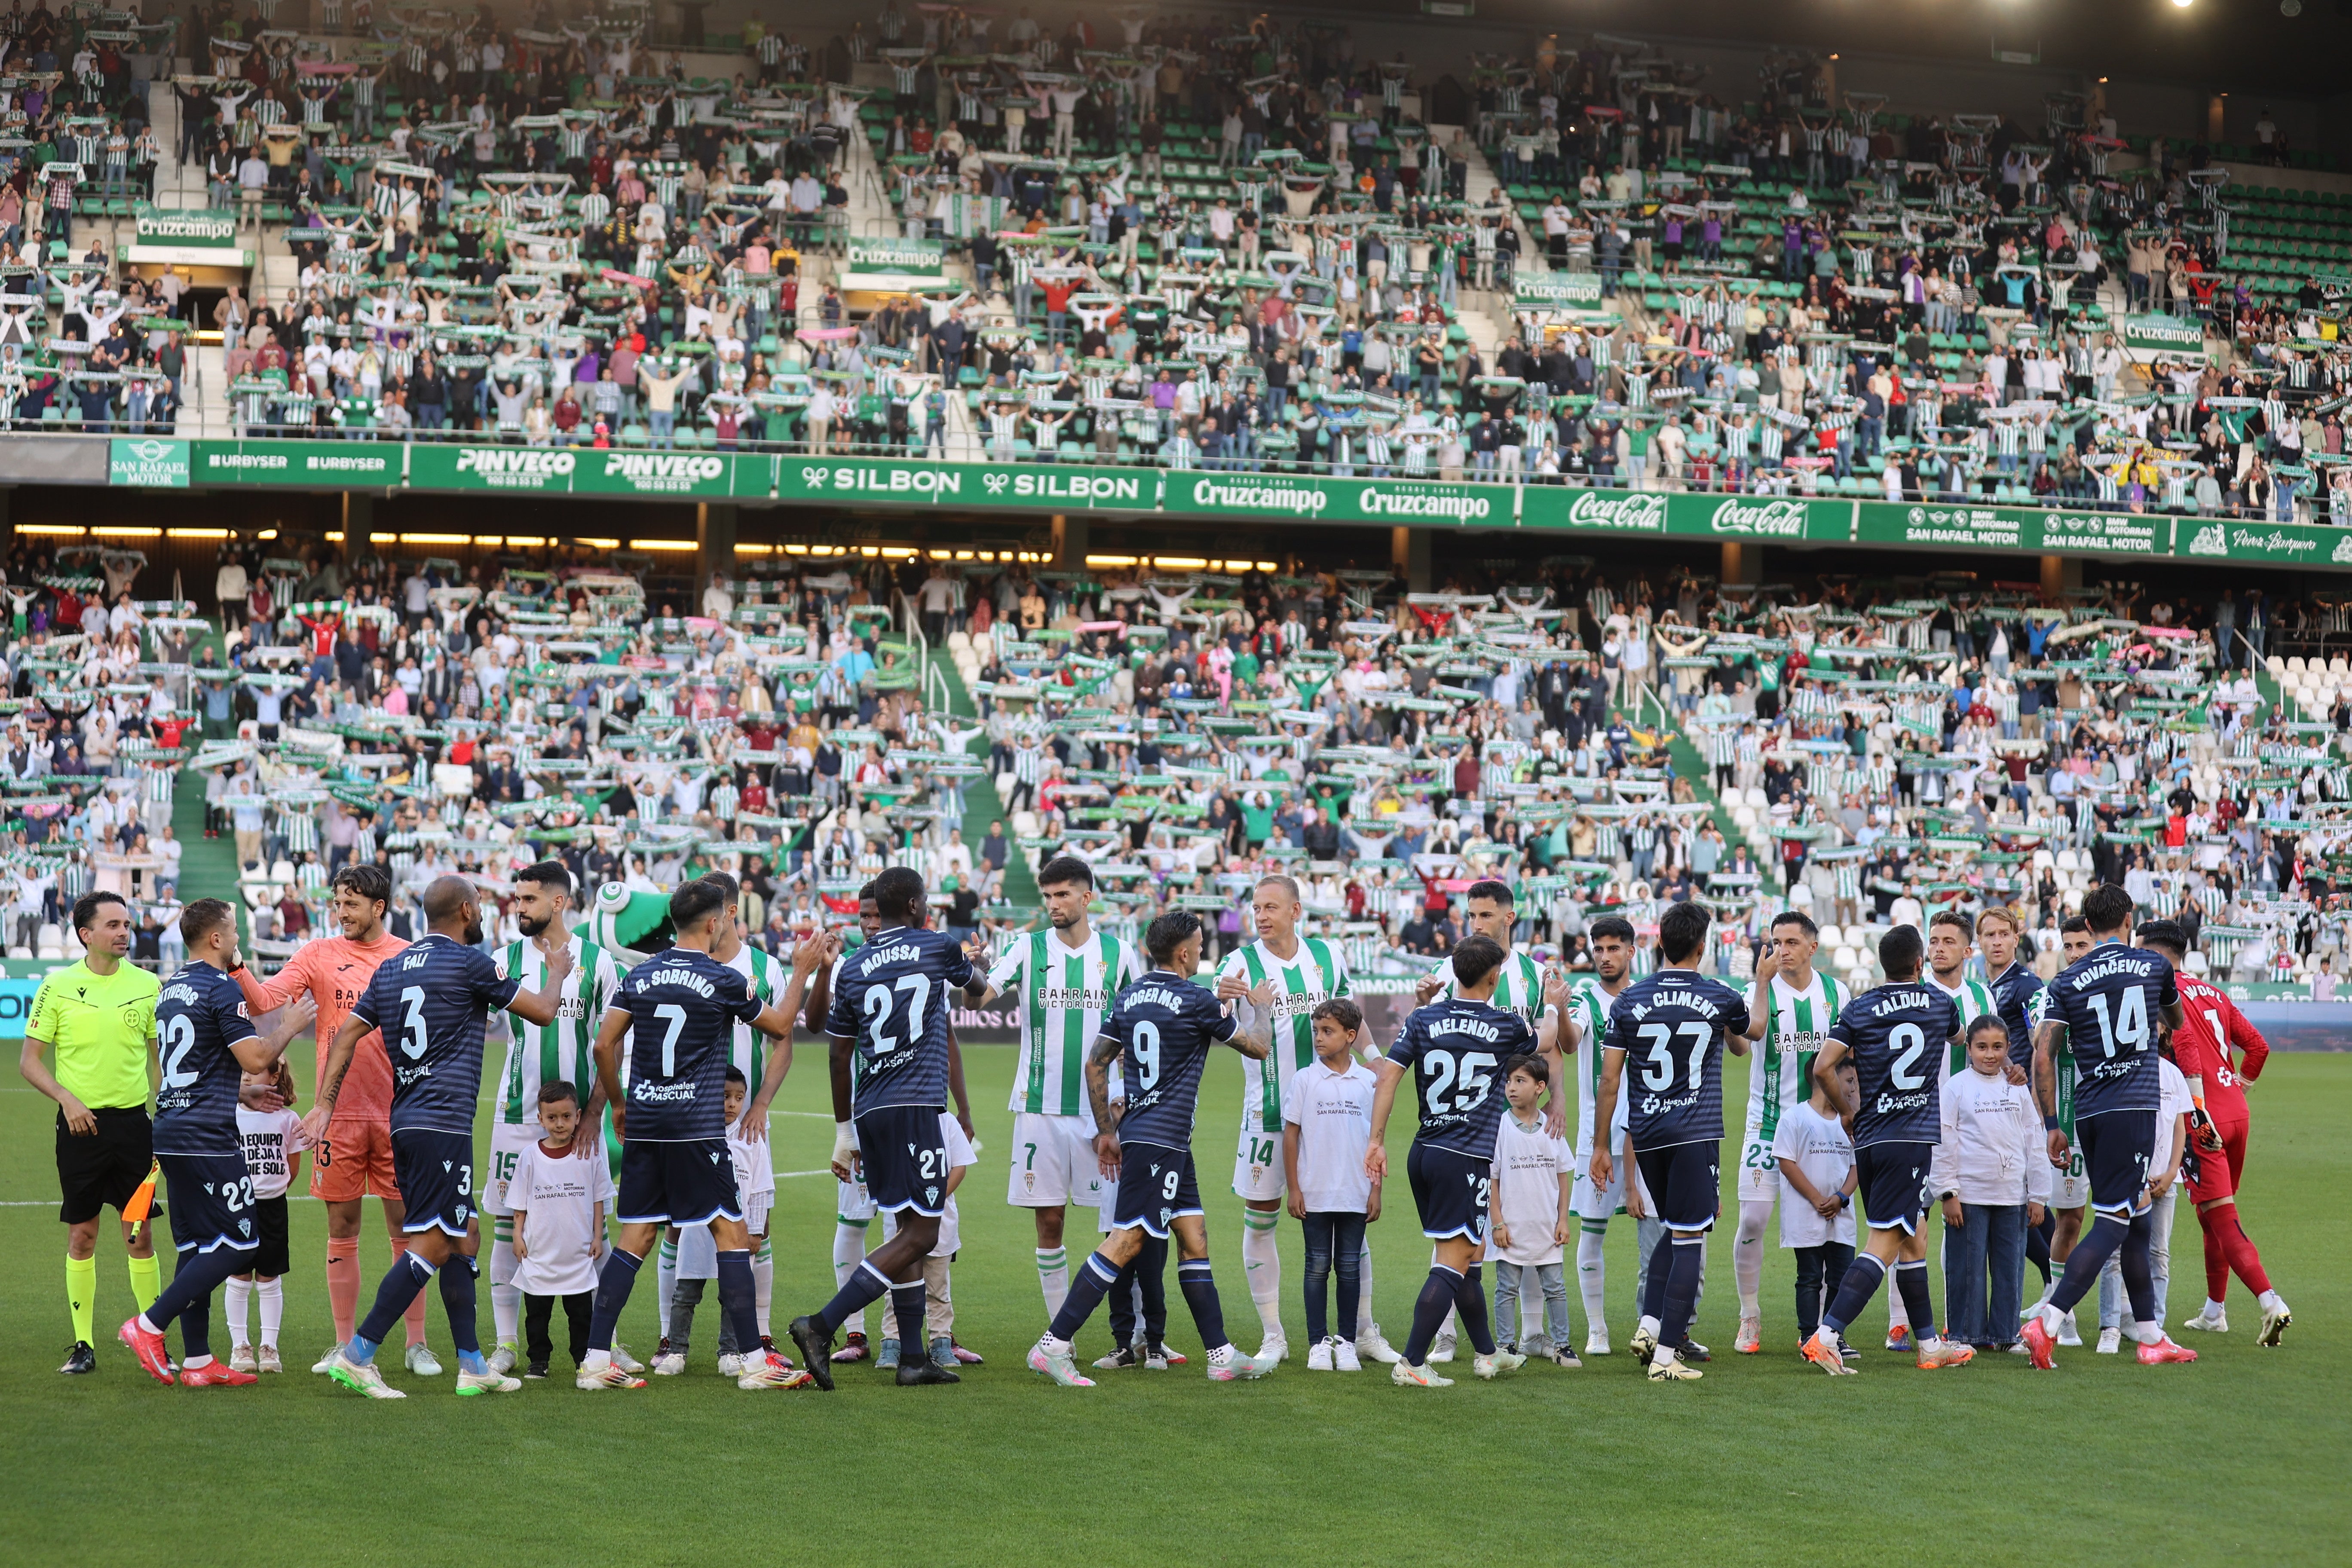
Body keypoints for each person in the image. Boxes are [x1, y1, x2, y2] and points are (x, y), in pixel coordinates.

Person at [312, 876, 574, 1399]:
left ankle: (473, 1363)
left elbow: (346, 1035)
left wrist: (323, 1103)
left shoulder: (391, 969)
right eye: (478, 907)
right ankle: (360, 1353)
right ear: (464, 911)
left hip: (405, 1122)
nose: (481, 913)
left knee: (464, 1237)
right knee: (434, 1242)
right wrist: (557, 974)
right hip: (443, 1124)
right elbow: (544, 1013)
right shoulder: (468, 963)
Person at [582, 879, 827, 1390]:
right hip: (696, 1127)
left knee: (637, 1235)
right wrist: (802, 969)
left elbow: (605, 1047)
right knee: (732, 1234)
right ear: (715, 923)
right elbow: (781, 1026)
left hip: (648, 1124)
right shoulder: (721, 979)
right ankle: (755, 1364)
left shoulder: (641, 976)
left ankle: (595, 1359)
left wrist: (621, 1104)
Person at [1026, 910, 1277, 1386]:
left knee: (1193, 1236)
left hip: (1156, 1138)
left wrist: (1107, 1131)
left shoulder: (1130, 995)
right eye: (1200, 945)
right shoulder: (1195, 999)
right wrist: (1259, 1005)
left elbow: (1096, 1064)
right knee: (1127, 1241)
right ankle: (1053, 1346)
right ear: (1183, 953)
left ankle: (1221, 1354)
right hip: (1161, 1140)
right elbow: (1260, 1047)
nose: (1204, 951)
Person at [230, 864, 426, 1375]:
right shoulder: (318, 954)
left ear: (378, 908)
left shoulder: (407, 956)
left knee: (406, 1226)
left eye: (352, 905)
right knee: (342, 1225)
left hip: (398, 1113)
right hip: (334, 1118)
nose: (342, 913)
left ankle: (416, 1345)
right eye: (338, 904)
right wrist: (234, 963)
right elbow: (267, 1000)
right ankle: (345, 1345)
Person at [113, 898, 314, 1385]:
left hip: (172, 1127)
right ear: (217, 939)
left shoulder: (170, 988)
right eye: (235, 931)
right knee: (242, 1243)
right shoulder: (222, 989)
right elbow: (254, 1056)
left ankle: (200, 1361)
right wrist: (288, 1025)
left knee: (196, 1244)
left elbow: (190, 1063)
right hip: (208, 1134)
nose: (240, 940)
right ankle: (148, 1324)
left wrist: (239, 1090)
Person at [790, 865, 976, 1388]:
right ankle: (821, 1325)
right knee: (924, 1232)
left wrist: (844, 1130)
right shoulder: (936, 945)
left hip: (871, 1109)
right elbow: (978, 990)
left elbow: (836, 1050)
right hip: (917, 1106)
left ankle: (914, 1358)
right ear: (917, 906)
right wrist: (971, 965)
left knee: (906, 1228)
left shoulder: (853, 966)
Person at [2021, 884, 2197, 1369]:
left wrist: (2054, 1123)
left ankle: (2150, 1336)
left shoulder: (2067, 980)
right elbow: (2176, 1021)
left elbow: (2044, 1054)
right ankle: (2049, 1320)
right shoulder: (2154, 966)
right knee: (2115, 1221)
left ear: (2089, 925)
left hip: (2092, 1112)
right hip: (2134, 1107)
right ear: (2128, 920)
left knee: (2135, 1224)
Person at [963, 855, 1139, 1321]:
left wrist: (1124, 1094)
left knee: (1121, 1226)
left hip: (1102, 1112)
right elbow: (978, 999)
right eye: (1048, 896)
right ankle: (1061, 1330)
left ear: (1087, 896)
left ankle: (1138, 1329)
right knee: (1050, 1220)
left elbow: (1139, 1026)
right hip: (1038, 1107)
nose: (1054, 904)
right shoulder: (1027, 948)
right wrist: (971, 971)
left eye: (1062, 895)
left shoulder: (1119, 954)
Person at [1213, 874, 1378, 1365]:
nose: (1261, 916)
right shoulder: (1239, 962)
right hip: (1266, 1115)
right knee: (1261, 1221)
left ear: (1296, 911)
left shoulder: (1326, 957)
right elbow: (1215, 1006)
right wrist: (1221, 995)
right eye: (1255, 908)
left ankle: (1363, 1331)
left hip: (1332, 1115)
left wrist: (1373, 1057)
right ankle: (1274, 1335)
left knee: (1349, 1220)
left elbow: (1353, 1014)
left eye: (1270, 907)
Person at [1369, 934, 1544, 1387]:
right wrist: (1558, 1005)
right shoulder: (1508, 1026)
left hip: (1423, 1152)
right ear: (1494, 977)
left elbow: (1389, 1077)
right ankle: (1411, 1362)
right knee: (1454, 1258)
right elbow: (1544, 1040)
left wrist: (1376, 1140)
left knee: (1466, 1253)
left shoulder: (1423, 1018)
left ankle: (1488, 1353)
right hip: (1464, 1157)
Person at [1799, 923, 1975, 1374]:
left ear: (1881, 964)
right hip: (1911, 1139)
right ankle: (1827, 1334)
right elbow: (1959, 1038)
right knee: (1885, 1242)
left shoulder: (1860, 1007)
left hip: (1872, 1139)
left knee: (1912, 1240)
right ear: (1920, 964)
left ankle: (1930, 1344)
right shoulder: (1939, 1002)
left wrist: (1845, 1111)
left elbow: (1823, 1067)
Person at [1591, 900, 1751, 1383]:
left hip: (1649, 1134)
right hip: (1695, 1132)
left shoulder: (1628, 1000)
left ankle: (1650, 1325)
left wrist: (1601, 1146)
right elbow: (1752, 1035)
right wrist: (1760, 983)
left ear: (1659, 944)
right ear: (1702, 949)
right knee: (1690, 1238)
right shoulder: (1720, 994)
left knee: (1676, 1229)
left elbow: (1610, 1082)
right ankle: (1665, 1356)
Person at [1414, 877, 1569, 1361]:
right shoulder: (1448, 969)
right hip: (1466, 1122)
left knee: (1515, 1225)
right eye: (1471, 915)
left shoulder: (1533, 973)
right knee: (1458, 1234)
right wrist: (1424, 1002)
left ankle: (1516, 1340)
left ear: (1509, 918)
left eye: (1485, 915)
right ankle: (1444, 1337)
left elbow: (1557, 1047)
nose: (1475, 924)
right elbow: (1433, 1037)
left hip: (1518, 1118)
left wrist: (1557, 1100)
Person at [483, 862, 626, 1375]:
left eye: (528, 900)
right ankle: (505, 1344)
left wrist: (594, 1114)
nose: (518, 908)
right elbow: (478, 1024)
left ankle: (605, 1343)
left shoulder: (600, 963)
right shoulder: (504, 959)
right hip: (517, 1115)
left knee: (596, 1228)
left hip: (580, 1118)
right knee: (507, 1224)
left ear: (560, 902)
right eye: (516, 899)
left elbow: (614, 1043)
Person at [20, 891, 166, 1375]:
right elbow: (30, 1063)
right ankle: (83, 1346)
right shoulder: (57, 986)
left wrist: (166, 1110)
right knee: (82, 1236)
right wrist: (68, 1099)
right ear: (87, 934)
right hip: (79, 1129)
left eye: (127, 924)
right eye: (114, 925)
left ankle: (153, 1338)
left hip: (134, 1130)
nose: (125, 932)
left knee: (139, 1236)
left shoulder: (148, 984)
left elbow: (160, 1059)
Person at [2135, 921, 2291, 1345]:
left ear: (2158, 955)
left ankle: (2270, 1301)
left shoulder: (2165, 993)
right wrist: (2241, 1084)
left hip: (2203, 1119)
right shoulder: (2214, 992)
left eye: (2141, 951)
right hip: (2237, 1114)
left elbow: (2185, 1048)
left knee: (2221, 1218)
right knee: (2211, 1216)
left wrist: (2200, 1111)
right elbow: (2258, 1046)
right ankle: (2214, 1311)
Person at [1734, 910, 1851, 1354]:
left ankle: (1821, 1329)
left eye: (1791, 942)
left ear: (1811, 947)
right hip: (1767, 1124)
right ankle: (1749, 1315)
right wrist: (1760, 986)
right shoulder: (1756, 991)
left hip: (1822, 1129)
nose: (1782, 950)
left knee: (1826, 1227)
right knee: (1753, 1220)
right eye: (1776, 942)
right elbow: (1741, 1045)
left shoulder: (1835, 992)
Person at [1931, 1017, 2047, 1354]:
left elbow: (2034, 1141)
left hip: (2012, 1194)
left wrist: (2038, 1195)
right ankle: (1966, 1336)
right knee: (1967, 1270)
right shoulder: (1956, 1087)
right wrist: (1948, 1193)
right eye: (1982, 1047)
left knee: (2009, 1269)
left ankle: (2007, 1334)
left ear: (2008, 1049)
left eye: (1998, 1047)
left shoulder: (2017, 1087)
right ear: (1968, 1049)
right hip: (1968, 1195)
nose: (1990, 1054)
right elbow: (1944, 1141)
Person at [660, 1066, 780, 1375]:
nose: (731, 1104)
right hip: (697, 1230)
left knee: (734, 1294)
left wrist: (756, 1232)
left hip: (737, 1233)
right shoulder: (695, 1133)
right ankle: (676, 1352)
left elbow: (761, 1190)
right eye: (725, 1096)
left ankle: (729, 1352)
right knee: (686, 1293)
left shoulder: (752, 1139)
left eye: (738, 1098)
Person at [1280, 997, 1379, 1371]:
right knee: (1317, 1266)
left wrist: (1376, 1190)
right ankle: (1318, 1343)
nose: (1319, 1038)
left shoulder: (1369, 1082)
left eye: (1328, 1031)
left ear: (1351, 1036)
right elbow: (1291, 1137)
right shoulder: (1306, 1080)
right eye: (1316, 1031)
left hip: (1355, 1191)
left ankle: (1348, 1343)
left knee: (1350, 1267)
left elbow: (1377, 1140)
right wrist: (1294, 1188)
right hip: (1315, 1191)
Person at [1561, 913, 1637, 1357]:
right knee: (1593, 1233)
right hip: (1600, 1137)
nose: (1605, 957)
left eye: (1614, 949)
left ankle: (1664, 1327)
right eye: (1599, 949)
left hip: (1648, 1132)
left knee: (1662, 1233)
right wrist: (1559, 1007)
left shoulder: (1647, 995)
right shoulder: (1586, 999)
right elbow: (1570, 1043)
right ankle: (1598, 1329)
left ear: (1631, 951)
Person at [508, 1079, 614, 1379]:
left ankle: (583, 1360)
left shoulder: (588, 1153)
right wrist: (517, 1237)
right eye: (552, 1118)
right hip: (539, 1254)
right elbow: (520, 1204)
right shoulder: (530, 1156)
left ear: (578, 1116)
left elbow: (597, 1200)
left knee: (581, 1315)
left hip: (577, 1254)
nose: (559, 1124)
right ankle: (538, 1361)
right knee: (537, 1315)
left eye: (566, 1117)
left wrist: (597, 1236)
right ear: (540, 1119)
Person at [2094, 1038, 2191, 1354]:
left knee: (2158, 1254)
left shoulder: (2172, 1074)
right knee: (2114, 1254)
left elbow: (2180, 1128)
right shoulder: (2120, 1072)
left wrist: (2172, 1171)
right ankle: (2110, 1327)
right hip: (2127, 1178)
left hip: (2164, 1180)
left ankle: (2154, 1326)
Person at [1486, 1054, 1576, 1366]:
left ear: (1540, 1087)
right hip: (1511, 1228)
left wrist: (1563, 1220)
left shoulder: (1551, 1128)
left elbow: (1563, 1177)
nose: (1512, 1088)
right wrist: (1498, 1223)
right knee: (1506, 1289)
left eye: (1520, 1081)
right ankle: (1506, 1347)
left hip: (1547, 1228)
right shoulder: (1499, 1127)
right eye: (1509, 1081)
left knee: (1556, 1289)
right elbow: (1492, 1180)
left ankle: (1563, 1346)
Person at [875, 1106, 976, 1369]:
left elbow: (960, 1167)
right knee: (896, 1284)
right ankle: (892, 1342)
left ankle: (941, 1342)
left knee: (938, 1287)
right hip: (901, 1217)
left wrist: (933, 1200)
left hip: (940, 1220)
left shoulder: (946, 1121)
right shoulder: (893, 1119)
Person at [1773, 1054, 1859, 1356]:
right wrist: (1816, 1198)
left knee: (1842, 1277)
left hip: (1841, 1214)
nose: (1853, 1088)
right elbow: (1786, 1162)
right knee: (1809, 1277)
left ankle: (1833, 1333)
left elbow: (1856, 1167)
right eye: (1849, 1081)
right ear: (1826, 1079)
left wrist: (1841, 1198)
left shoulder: (1849, 1122)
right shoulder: (1796, 1117)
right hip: (1807, 1215)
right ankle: (1810, 1337)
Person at [227, 1066, 311, 1372]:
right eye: (243, 1072)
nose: (246, 1077)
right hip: (237, 1206)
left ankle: (269, 1348)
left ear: (274, 1079)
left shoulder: (288, 1119)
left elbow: (293, 1167)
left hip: (273, 1208)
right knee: (238, 1276)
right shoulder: (232, 1113)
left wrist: (272, 1190)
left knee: (269, 1277)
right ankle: (240, 1347)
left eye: (255, 1071)